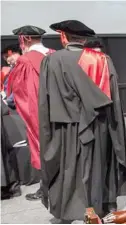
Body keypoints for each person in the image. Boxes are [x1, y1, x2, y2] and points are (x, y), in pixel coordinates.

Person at [38, 20, 126, 221]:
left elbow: (45, 102)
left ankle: (70, 211)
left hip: (65, 128)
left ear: (63, 37)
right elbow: (114, 101)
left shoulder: (51, 61)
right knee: (98, 167)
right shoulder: (101, 60)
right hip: (98, 127)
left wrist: (47, 132)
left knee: (69, 169)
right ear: (84, 39)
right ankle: (98, 206)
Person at [7, 25, 55, 201]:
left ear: (25, 39)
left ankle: (47, 189)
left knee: (41, 148)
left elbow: (23, 93)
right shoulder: (54, 54)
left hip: (39, 113)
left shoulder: (25, 60)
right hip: (61, 112)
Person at [1, 44, 21, 108]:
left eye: (7, 57)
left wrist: (8, 101)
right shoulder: (13, 68)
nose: (7, 61)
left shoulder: (23, 66)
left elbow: (19, 87)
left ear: (12, 53)